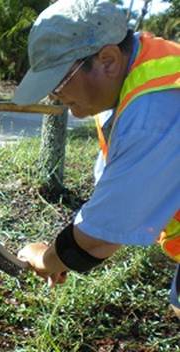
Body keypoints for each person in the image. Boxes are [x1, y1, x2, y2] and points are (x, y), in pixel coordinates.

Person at [13, 0, 180, 318]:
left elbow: (102, 234)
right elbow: (112, 197)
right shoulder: (140, 72)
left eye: (59, 83)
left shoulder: (153, 113)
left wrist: (48, 258)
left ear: (107, 60)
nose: (54, 97)